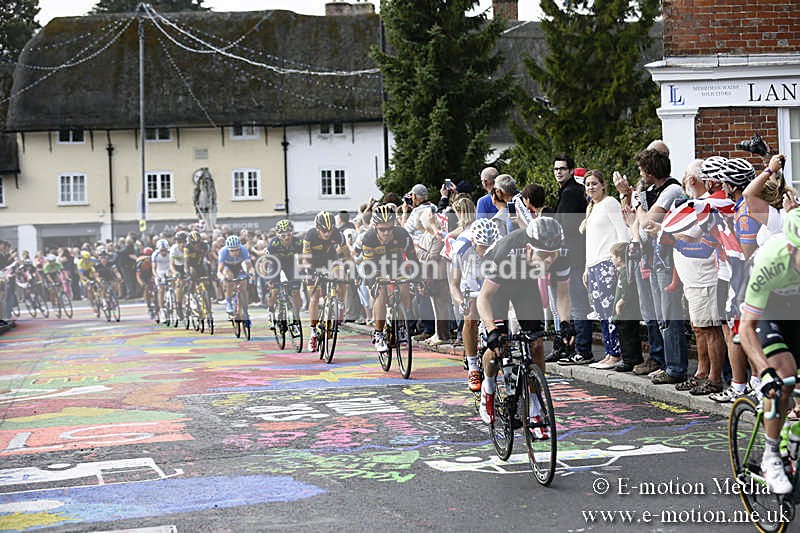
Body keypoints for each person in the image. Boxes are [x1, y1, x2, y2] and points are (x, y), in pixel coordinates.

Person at [476, 217, 572, 425]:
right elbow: (483, 298)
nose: (548, 261)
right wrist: (492, 330)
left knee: (536, 344)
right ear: (529, 248)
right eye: (543, 255)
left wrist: (565, 324)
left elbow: (563, 294)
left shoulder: (561, 253)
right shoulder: (506, 252)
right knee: (499, 345)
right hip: (498, 287)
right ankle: (489, 387)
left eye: (552, 256)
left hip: (526, 285)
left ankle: (535, 403)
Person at [738, 206, 800, 495]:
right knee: (783, 377)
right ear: (791, 247)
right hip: (767, 311)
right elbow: (745, 329)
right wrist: (764, 373)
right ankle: (771, 455)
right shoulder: (771, 262)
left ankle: (793, 437)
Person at [634, 147, 687, 384]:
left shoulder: (672, 190)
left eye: (642, 170)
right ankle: (667, 363)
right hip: (656, 258)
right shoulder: (654, 190)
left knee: (669, 314)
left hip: (667, 259)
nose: (641, 175)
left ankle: (676, 367)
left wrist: (638, 207)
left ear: (650, 170)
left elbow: (646, 222)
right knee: (659, 315)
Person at [580, 170, 629, 369]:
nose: (590, 187)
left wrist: (620, 261)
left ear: (602, 185)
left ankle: (616, 353)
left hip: (608, 263)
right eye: (587, 184)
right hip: (593, 265)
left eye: (594, 183)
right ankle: (609, 353)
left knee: (610, 310)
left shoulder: (610, 203)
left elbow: (621, 232)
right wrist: (586, 267)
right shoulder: (591, 207)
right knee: (600, 310)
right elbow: (590, 241)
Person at [356, 205, 419, 354]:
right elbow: (368, 267)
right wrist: (375, 282)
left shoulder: (402, 235)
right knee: (381, 293)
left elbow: (413, 258)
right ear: (375, 227)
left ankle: (401, 325)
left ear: (394, 225)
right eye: (382, 229)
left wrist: (418, 277)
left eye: (390, 228)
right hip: (375, 267)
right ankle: (378, 334)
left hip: (396, 265)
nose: (386, 232)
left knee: (405, 286)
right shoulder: (369, 238)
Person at [552, 154, 593, 365]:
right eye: (556, 169)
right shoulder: (568, 191)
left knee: (577, 305)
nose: (558, 172)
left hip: (575, 257)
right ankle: (571, 348)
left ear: (570, 171)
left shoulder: (570, 193)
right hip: (574, 256)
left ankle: (582, 350)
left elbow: (565, 228)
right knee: (571, 305)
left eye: (562, 169)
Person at [450, 218, 499, 392]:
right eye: (482, 247)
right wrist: (461, 302)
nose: (486, 251)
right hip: (469, 281)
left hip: (491, 280)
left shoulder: (500, 247)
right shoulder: (461, 249)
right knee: (470, 317)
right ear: (473, 242)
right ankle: (472, 367)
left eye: (489, 247)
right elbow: (454, 284)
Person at [302, 210, 347, 351]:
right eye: (323, 231)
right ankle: (313, 332)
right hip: (313, 264)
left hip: (331, 260)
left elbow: (347, 255)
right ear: (317, 229)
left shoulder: (338, 234)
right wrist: (310, 272)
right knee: (314, 298)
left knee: (342, 275)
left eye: (330, 230)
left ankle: (339, 304)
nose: (327, 234)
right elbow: (305, 259)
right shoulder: (310, 235)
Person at [609, 242, 643, 372]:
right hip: (624, 313)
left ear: (619, 258)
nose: (612, 259)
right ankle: (630, 358)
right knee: (627, 336)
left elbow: (627, 290)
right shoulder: (623, 271)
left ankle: (630, 360)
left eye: (612, 256)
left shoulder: (625, 272)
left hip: (626, 312)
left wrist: (621, 302)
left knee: (628, 337)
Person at [265, 219, 303, 322]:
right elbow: (268, 260)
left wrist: (302, 270)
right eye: (283, 235)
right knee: (275, 289)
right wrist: (269, 279)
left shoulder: (298, 242)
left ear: (292, 233)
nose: (286, 237)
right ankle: (271, 309)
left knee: (296, 290)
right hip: (275, 264)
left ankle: (296, 315)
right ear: (278, 235)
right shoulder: (274, 243)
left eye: (288, 234)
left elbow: (303, 257)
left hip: (290, 264)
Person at [217, 235, 255, 316]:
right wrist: (223, 278)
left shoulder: (244, 250)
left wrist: (252, 274)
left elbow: (250, 266)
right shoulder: (223, 252)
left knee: (243, 284)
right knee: (229, 279)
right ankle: (228, 302)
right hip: (228, 267)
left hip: (238, 266)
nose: (235, 252)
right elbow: (219, 271)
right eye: (232, 250)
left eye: (237, 250)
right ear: (228, 249)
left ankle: (245, 310)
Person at [151, 239, 172, 321]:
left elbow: (173, 263)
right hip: (159, 272)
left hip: (168, 270)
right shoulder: (155, 254)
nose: (163, 252)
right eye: (162, 250)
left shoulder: (170, 253)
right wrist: (156, 276)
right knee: (161, 289)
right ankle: (162, 308)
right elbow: (154, 268)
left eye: (165, 250)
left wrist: (171, 272)